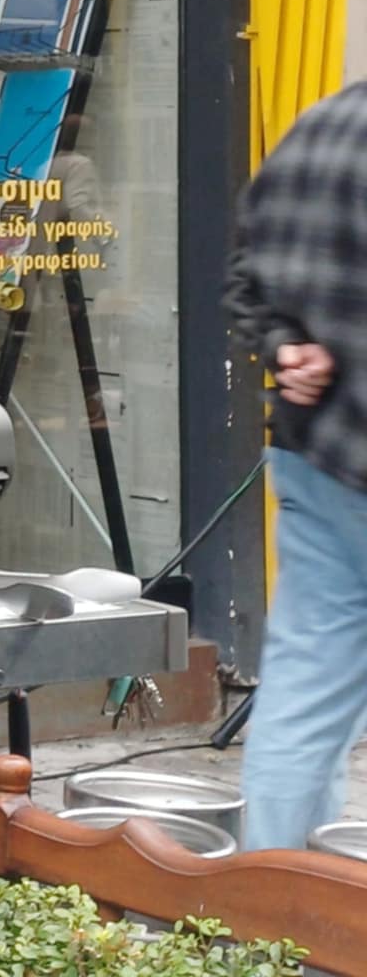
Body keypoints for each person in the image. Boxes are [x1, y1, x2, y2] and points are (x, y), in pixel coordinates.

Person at [224, 82, 367, 850]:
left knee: (308, 686)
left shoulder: (321, 126)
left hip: (315, 455)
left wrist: (285, 345)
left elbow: (244, 273)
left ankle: (272, 920)